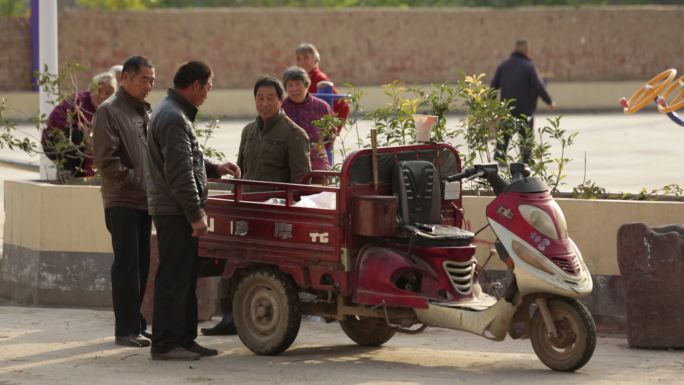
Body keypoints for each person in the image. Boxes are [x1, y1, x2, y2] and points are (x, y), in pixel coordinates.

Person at [200, 75, 310, 337]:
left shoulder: (294, 134)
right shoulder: (248, 131)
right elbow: (241, 168)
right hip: (245, 208)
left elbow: (301, 183)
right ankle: (229, 317)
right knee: (234, 260)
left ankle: (266, 315)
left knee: (266, 268)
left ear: (280, 100)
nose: (264, 103)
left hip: (274, 213)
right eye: (260, 98)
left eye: (270, 98)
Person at [146, 61, 241, 361]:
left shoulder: (172, 113)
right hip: (175, 210)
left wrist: (214, 168)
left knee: (185, 276)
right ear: (196, 85)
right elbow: (179, 174)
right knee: (174, 277)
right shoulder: (173, 117)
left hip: (176, 208)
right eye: (208, 87)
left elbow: (186, 159)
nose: (208, 94)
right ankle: (164, 343)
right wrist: (195, 214)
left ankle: (185, 339)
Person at [92, 56, 155, 348]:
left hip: (145, 200)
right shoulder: (110, 111)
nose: (149, 85)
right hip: (122, 199)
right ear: (125, 78)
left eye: (152, 80)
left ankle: (137, 324)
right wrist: (138, 180)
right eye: (144, 79)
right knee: (127, 265)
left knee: (141, 265)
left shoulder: (142, 111)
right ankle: (124, 330)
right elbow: (107, 161)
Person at [490, 39, 556, 164]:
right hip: (525, 109)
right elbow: (539, 86)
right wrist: (549, 101)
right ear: (526, 50)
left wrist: (491, 107)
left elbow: (493, 87)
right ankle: (525, 161)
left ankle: (500, 158)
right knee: (525, 136)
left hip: (507, 108)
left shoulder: (504, 66)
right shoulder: (529, 66)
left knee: (504, 134)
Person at [42, 71, 116, 177]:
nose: (102, 96)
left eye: (108, 93)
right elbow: (53, 120)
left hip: (83, 153)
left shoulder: (109, 111)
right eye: (99, 90)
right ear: (92, 89)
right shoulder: (78, 100)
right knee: (76, 133)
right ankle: (66, 171)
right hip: (55, 144)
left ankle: (84, 176)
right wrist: (78, 125)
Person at [295, 43, 350, 163]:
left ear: (315, 60)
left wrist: (331, 134)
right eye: (298, 59)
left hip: (317, 139)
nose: (301, 62)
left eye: (305, 58)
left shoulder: (320, 79)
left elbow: (344, 106)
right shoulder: (301, 80)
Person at [282, 66, 333, 171]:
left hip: (317, 165)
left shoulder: (321, 107)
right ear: (285, 88)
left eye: (298, 84)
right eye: (290, 85)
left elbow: (330, 134)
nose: (294, 89)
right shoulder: (281, 109)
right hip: (287, 167)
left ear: (306, 85)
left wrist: (319, 145)